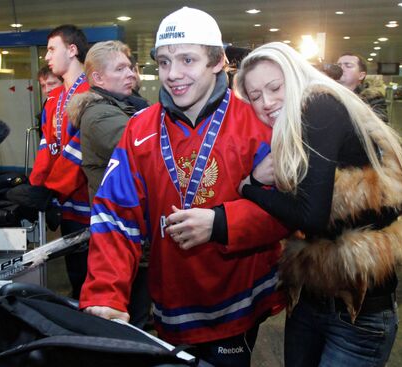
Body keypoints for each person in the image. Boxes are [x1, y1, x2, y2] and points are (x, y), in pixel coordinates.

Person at [79, 8, 287, 367]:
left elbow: (289, 210)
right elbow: (114, 213)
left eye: (187, 60)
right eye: (163, 62)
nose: (172, 75)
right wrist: (106, 293)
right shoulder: (139, 128)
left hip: (238, 305)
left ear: (218, 61)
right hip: (171, 307)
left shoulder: (256, 123)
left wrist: (221, 222)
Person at [235, 42, 402, 367]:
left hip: (358, 311)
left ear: (294, 76)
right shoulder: (303, 120)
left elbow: (312, 217)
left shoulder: (319, 104)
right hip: (311, 298)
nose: (266, 102)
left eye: (275, 87)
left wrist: (249, 187)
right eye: (254, 95)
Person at [66, 40, 150, 327]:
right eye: (120, 68)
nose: (131, 74)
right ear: (98, 78)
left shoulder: (128, 105)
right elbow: (149, 147)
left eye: (130, 67)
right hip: (122, 234)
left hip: (136, 232)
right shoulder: (99, 115)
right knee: (132, 321)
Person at [28, 25, 91, 299]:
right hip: (67, 208)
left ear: (73, 50)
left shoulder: (91, 93)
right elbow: (48, 148)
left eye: (52, 49)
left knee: (94, 283)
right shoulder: (54, 99)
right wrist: (36, 188)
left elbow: (80, 151)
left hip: (92, 208)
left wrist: (52, 189)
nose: (47, 56)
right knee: (76, 278)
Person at [337, 53, 389, 122]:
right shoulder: (324, 94)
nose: (341, 68)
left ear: (361, 75)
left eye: (348, 66)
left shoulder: (373, 98)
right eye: (338, 65)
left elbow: (380, 125)